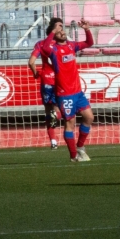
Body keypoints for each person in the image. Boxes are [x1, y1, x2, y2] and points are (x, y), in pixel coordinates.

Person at [41, 19, 94, 162]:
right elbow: (44, 48)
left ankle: (80, 147)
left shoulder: (72, 45)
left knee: (89, 117)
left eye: (63, 30)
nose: (62, 32)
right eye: (59, 31)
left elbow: (89, 43)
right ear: (55, 35)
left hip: (78, 92)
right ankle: (73, 156)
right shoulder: (53, 50)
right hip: (65, 94)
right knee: (69, 123)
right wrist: (53, 31)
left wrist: (87, 29)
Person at [28, 18, 62, 150]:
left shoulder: (40, 44)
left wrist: (36, 73)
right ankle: (57, 117)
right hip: (60, 80)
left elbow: (31, 62)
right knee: (60, 110)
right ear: (55, 29)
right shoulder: (61, 44)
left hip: (46, 80)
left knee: (48, 111)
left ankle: (53, 142)